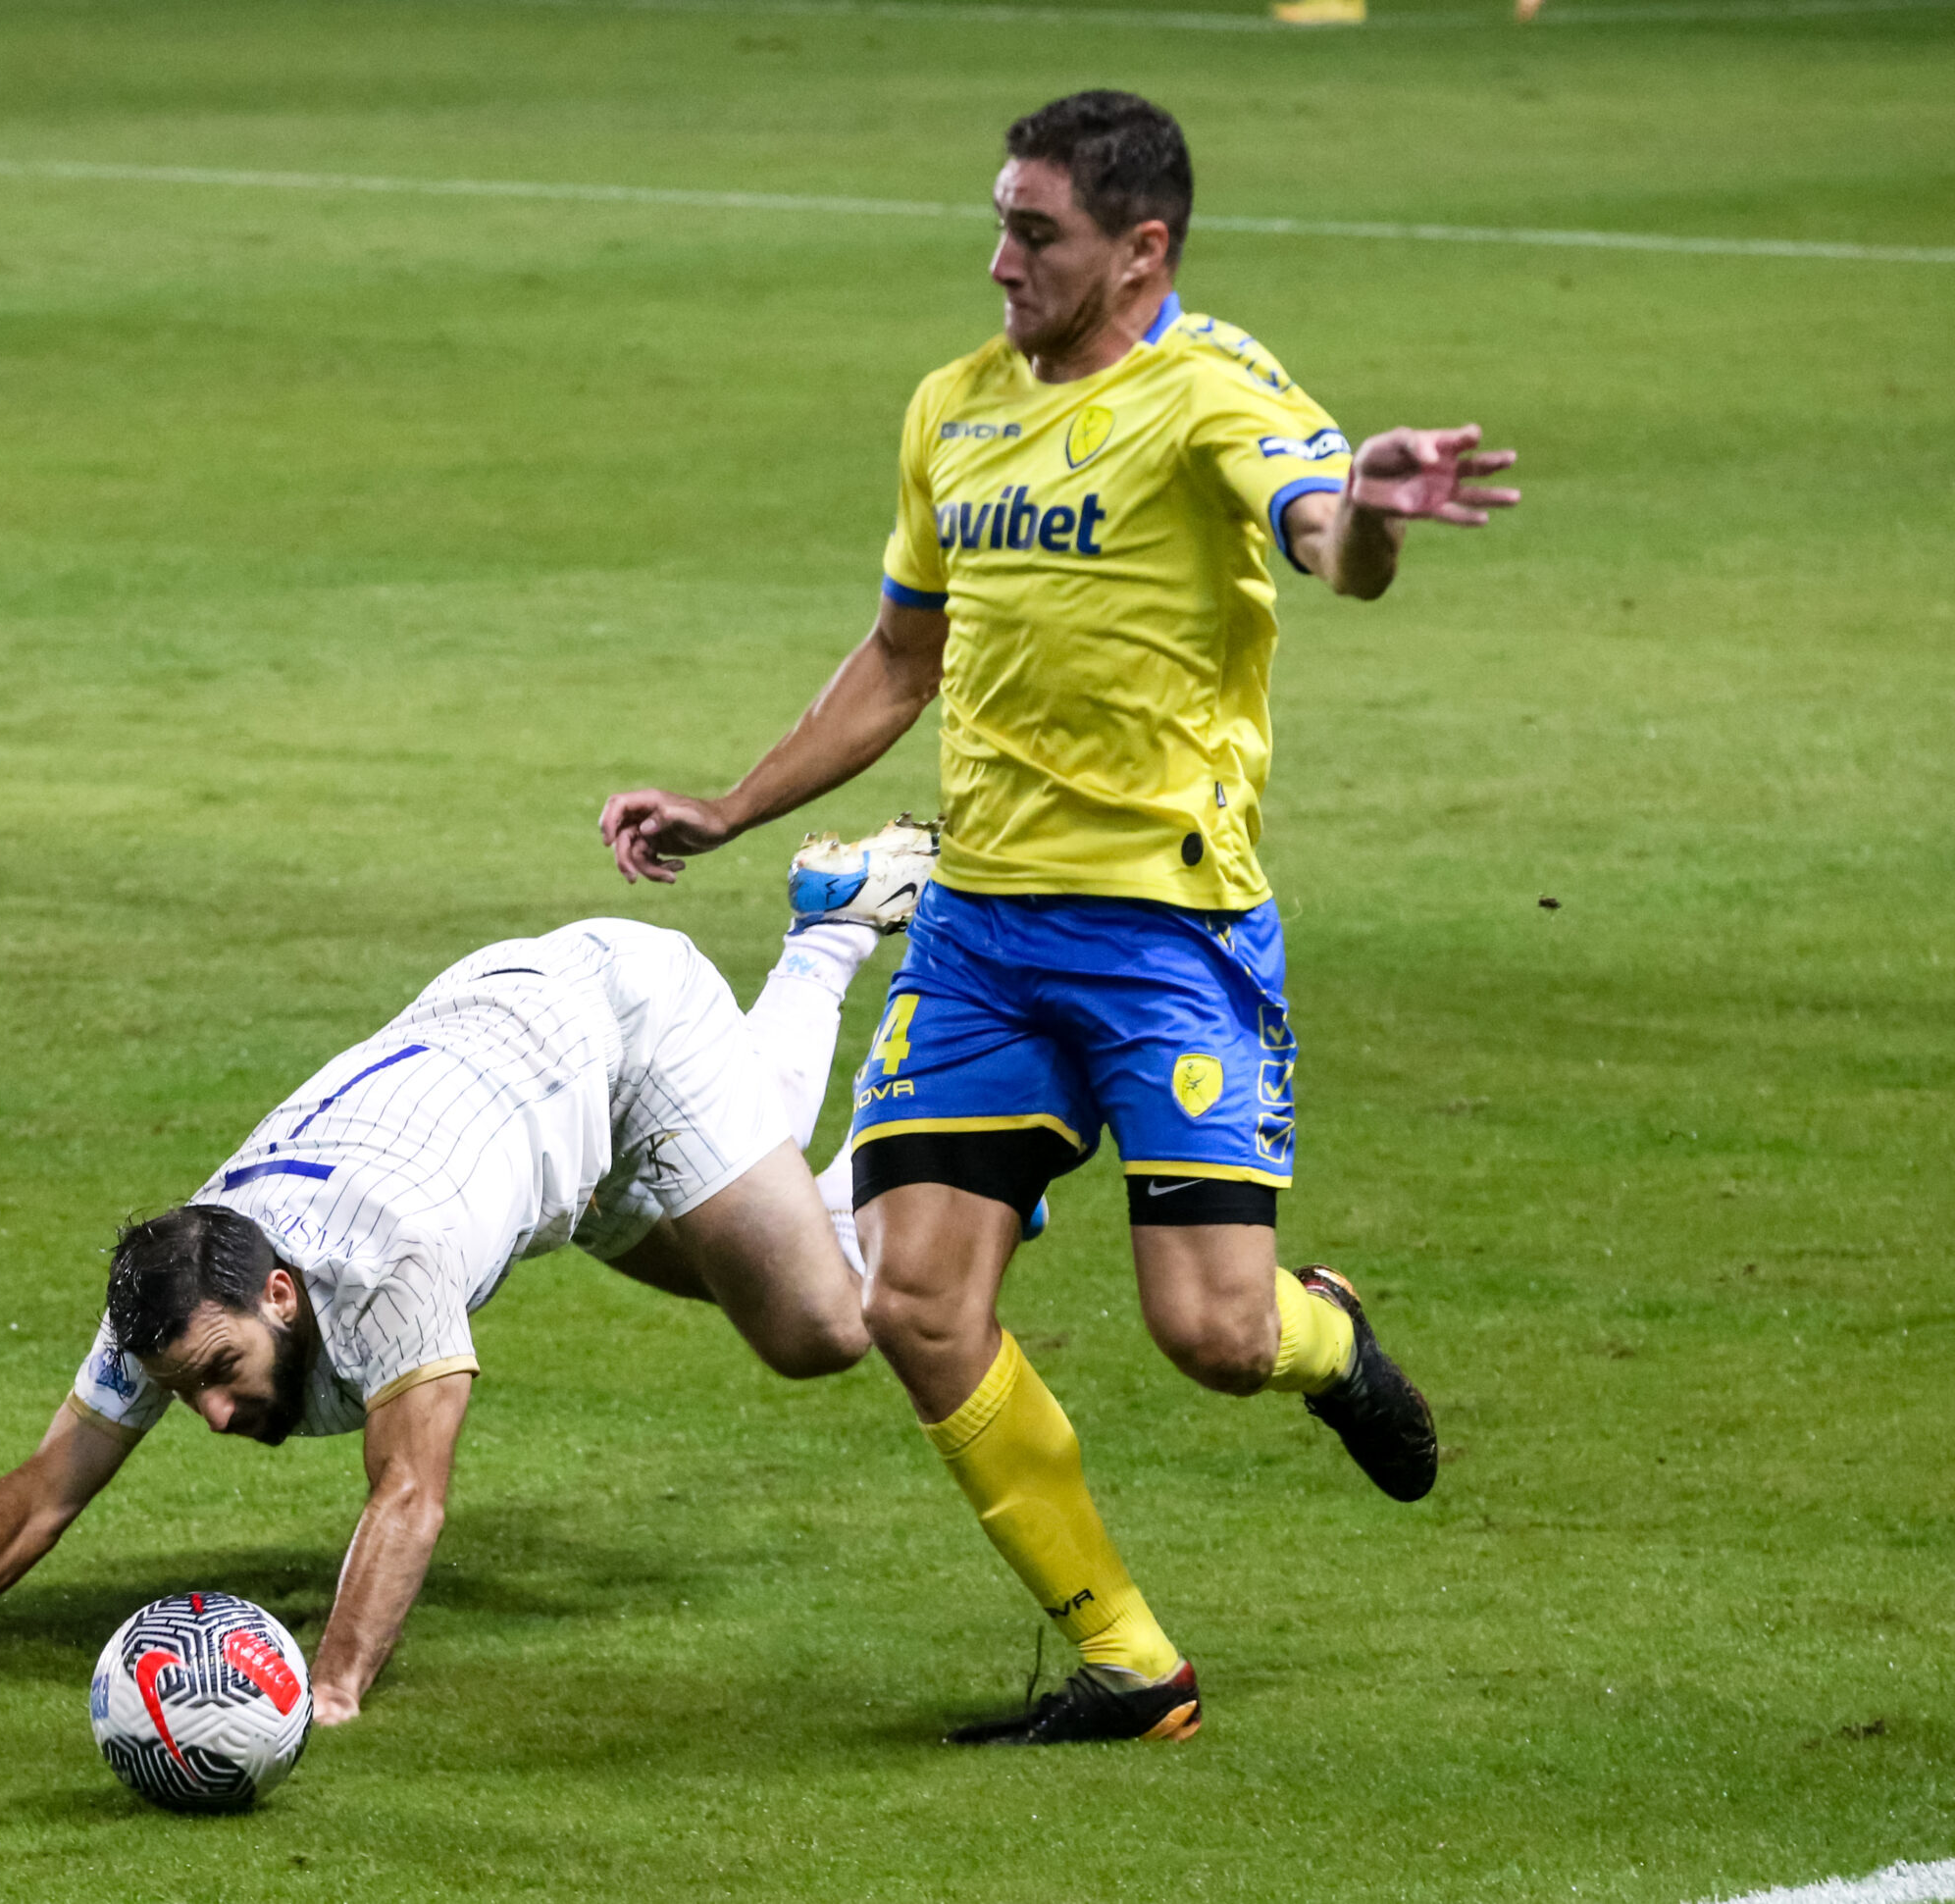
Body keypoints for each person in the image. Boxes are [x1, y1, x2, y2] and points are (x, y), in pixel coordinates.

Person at [598, 89, 1519, 1746]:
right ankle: (1129, 1662)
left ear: (1141, 250)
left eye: (1038, 234)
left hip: (1169, 935)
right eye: (1000, 224)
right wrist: (734, 806)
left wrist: (1376, 505)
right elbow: (904, 656)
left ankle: (1327, 1338)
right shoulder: (953, 409)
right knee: (913, 1306)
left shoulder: (1214, 388)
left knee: (1213, 1332)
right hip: (981, 937)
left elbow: (1329, 542)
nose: (1001, 261)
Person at [0, 846, 932, 1723]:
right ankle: (883, 1177)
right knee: (781, 1254)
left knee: (821, 1326)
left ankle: (836, 944)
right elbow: (48, 1487)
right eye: (186, 1390)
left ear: (280, 1296)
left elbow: (408, 1491)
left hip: (623, 1027)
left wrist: (333, 1688)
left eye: (218, 1376)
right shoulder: (176, 1288)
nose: (211, 1415)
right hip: (516, 1065)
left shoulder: (386, 1258)